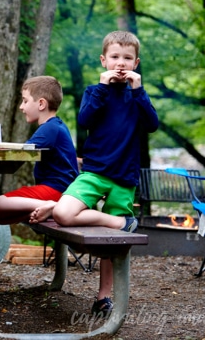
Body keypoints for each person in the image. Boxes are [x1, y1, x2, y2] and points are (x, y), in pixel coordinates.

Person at [51, 30, 159, 317]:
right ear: (104, 60)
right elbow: (86, 119)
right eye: (114, 57)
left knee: (113, 243)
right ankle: (120, 221)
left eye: (127, 58)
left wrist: (139, 90)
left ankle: (103, 297)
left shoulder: (137, 96)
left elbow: (152, 124)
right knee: (63, 213)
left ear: (136, 63)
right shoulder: (93, 91)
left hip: (124, 177)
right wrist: (101, 86)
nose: (120, 63)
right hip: (95, 172)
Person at [0, 76, 78, 225]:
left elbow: (21, 151)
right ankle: (50, 209)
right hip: (58, 191)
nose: (21, 107)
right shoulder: (55, 126)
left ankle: (56, 208)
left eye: (25, 101)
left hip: (57, 191)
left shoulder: (50, 128)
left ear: (41, 104)